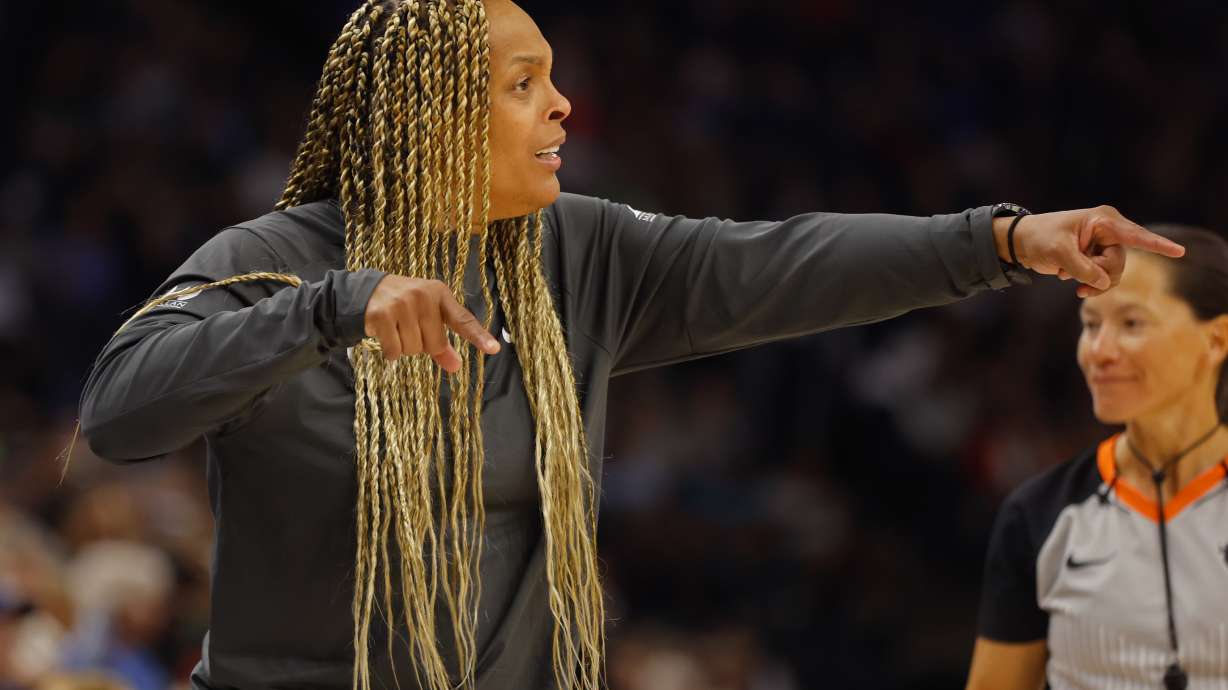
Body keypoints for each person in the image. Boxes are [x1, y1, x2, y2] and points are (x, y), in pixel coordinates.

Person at [76, 1, 1185, 689]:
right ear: (431, 122)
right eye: (523, 87)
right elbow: (119, 412)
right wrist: (326, 311)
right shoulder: (270, 258)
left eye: (553, 76)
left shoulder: (575, 254)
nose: (563, 106)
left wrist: (999, 239)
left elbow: (782, 262)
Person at [967, 225, 1228, 690]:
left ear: (1217, 340)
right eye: (1090, 325)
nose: (1099, 352)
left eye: (1132, 323)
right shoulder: (1040, 512)